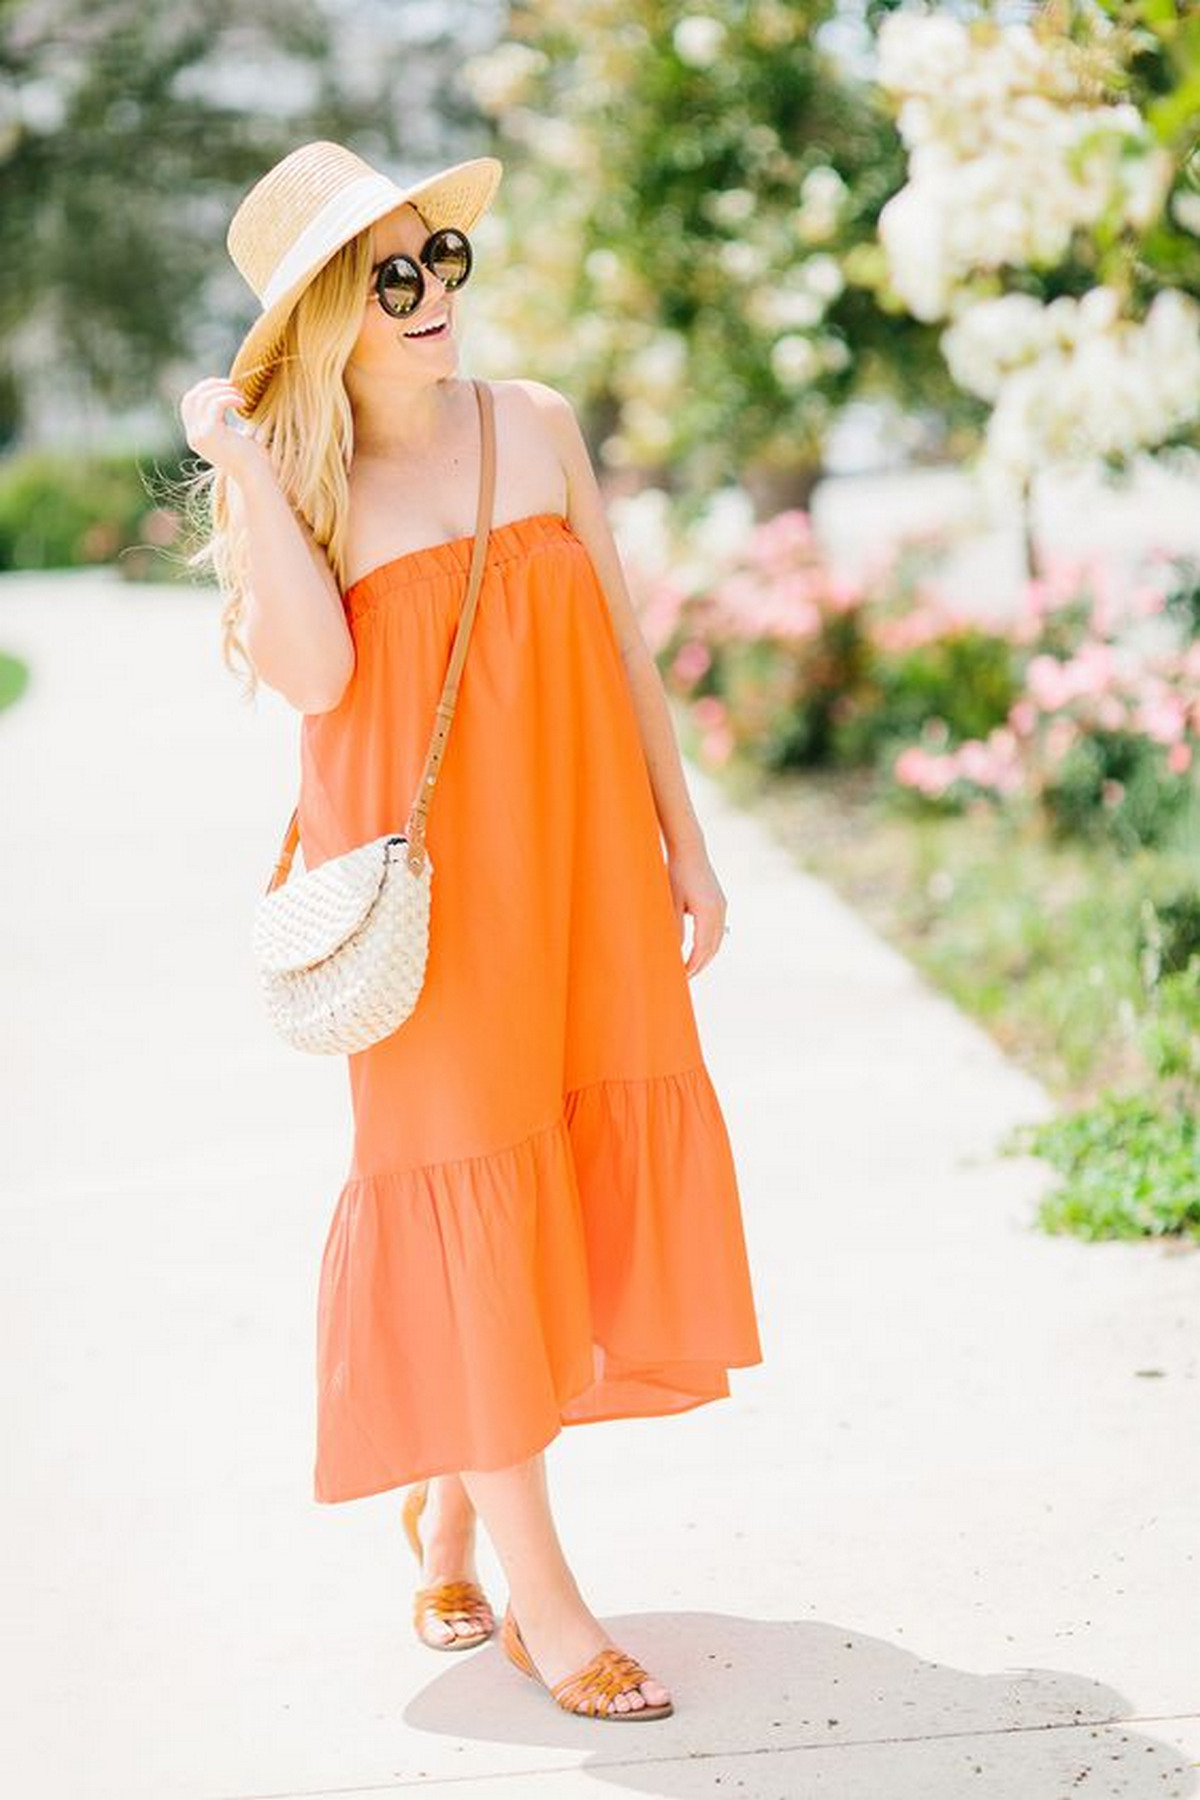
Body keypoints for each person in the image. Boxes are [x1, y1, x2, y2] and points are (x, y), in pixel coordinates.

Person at [179, 139, 763, 1723]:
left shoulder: (542, 429)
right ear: (324, 316)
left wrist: (685, 844)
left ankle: (449, 1506)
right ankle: (545, 1605)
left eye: (443, 259)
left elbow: (628, 648)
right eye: (391, 275)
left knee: (556, 1181)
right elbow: (309, 686)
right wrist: (241, 469)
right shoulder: (312, 487)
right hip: (435, 922)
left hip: (577, 875)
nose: (431, 294)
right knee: (470, 1196)